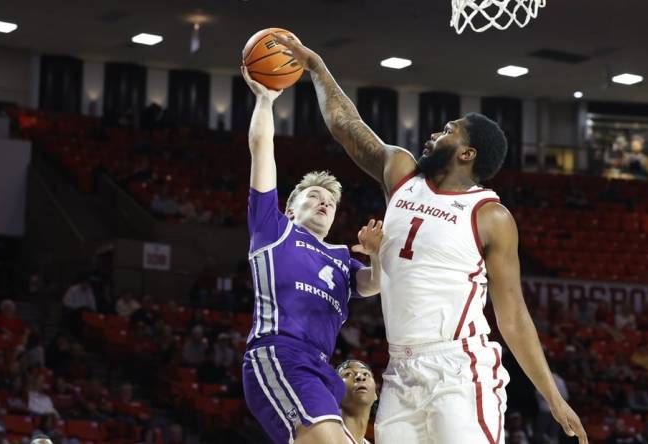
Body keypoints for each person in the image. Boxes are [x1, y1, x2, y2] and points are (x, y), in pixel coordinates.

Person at [276, 34, 587, 444]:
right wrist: (316, 67)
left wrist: (552, 397)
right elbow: (346, 126)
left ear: (467, 153)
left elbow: (512, 317)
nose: (433, 135)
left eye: (447, 131)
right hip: (401, 369)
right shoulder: (402, 174)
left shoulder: (490, 216)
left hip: (459, 366)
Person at [238, 66, 383, 444]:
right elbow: (261, 149)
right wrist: (265, 101)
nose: (324, 202)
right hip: (281, 353)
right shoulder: (273, 229)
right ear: (290, 208)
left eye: (331, 201)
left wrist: (377, 255)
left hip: (322, 370)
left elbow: (372, 285)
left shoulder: (339, 256)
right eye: (314, 196)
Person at [336, 360, 376, 444]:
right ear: (334, 394)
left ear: (375, 395)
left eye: (366, 374)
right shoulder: (320, 437)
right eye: (348, 374)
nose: (360, 377)